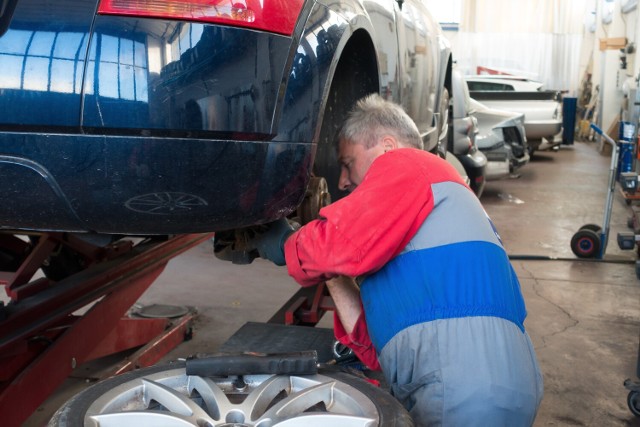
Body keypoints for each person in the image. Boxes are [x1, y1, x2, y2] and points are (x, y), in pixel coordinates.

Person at [251, 93, 543, 426]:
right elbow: (376, 347)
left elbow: (338, 245)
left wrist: (287, 243)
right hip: (490, 386)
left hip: (465, 388)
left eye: (347, 163)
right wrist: (330, 273)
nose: (343, 181)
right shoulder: (433, 208)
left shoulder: (412, 164)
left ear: (387, 147)